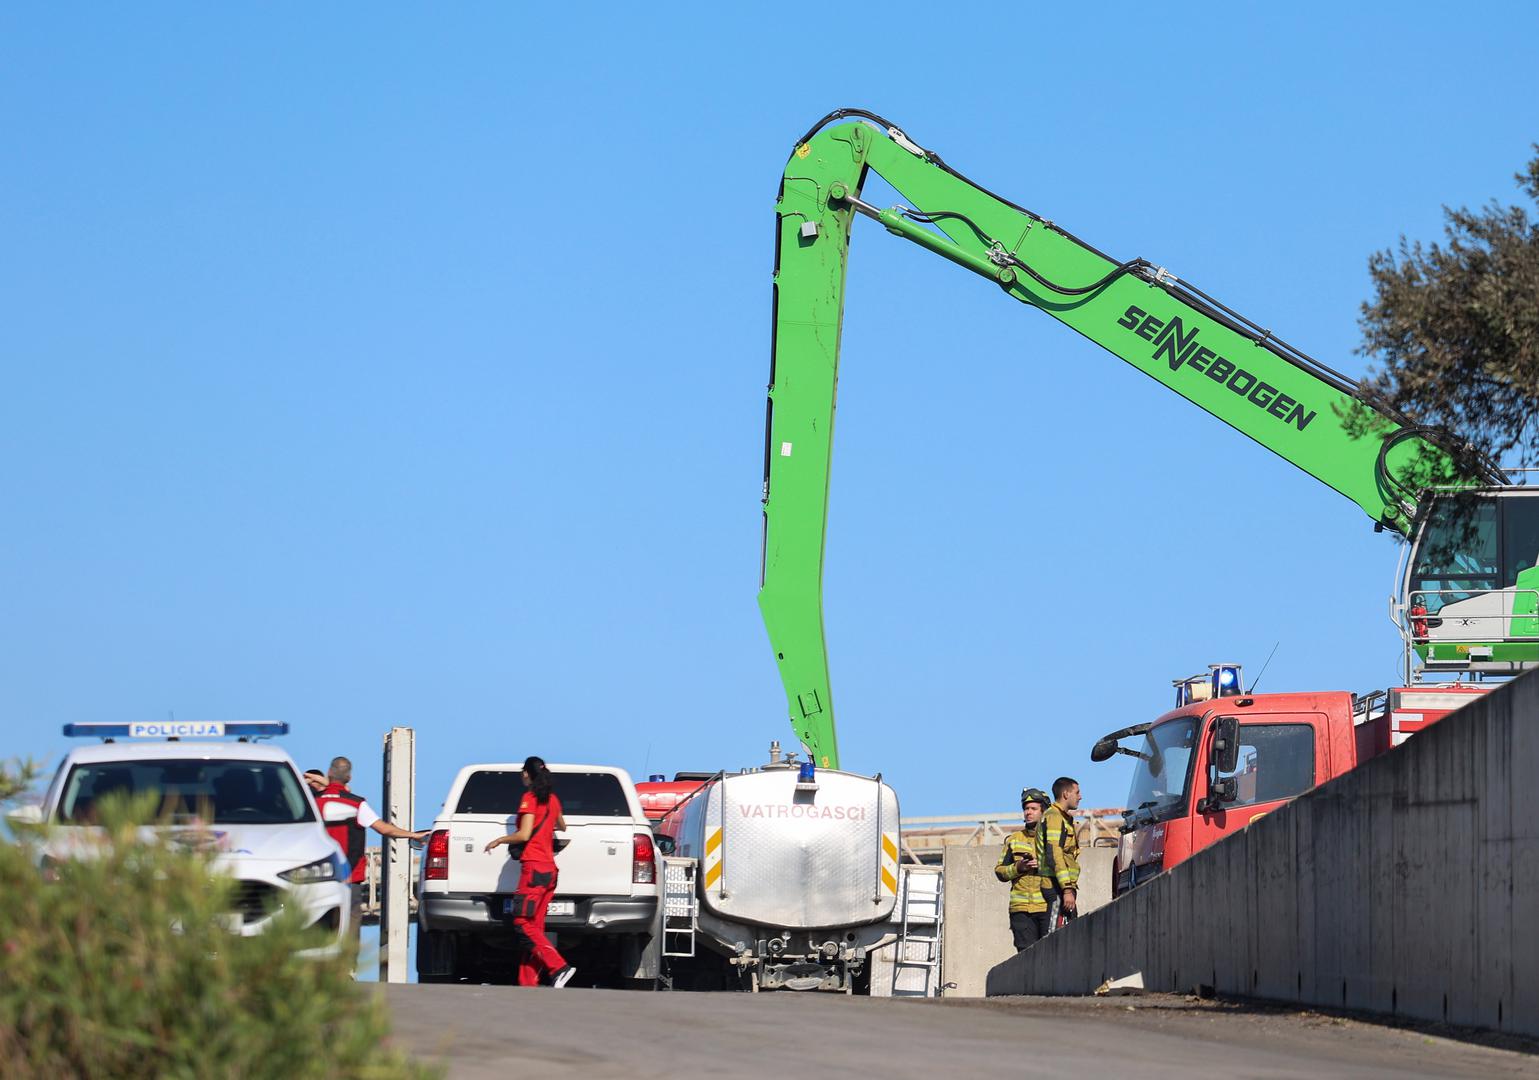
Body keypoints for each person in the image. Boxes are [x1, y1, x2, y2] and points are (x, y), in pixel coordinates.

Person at [314, 756, 429, 949]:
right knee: (350, 923)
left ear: (329, 774)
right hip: (350, 877)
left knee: (320, 923)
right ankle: (347, 968)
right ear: (349, 777)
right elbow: (385, 829)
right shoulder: (356, 804)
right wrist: (413, 835)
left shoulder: (312, 803)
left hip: (319, 877)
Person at [484, 756, 576, 988]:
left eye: (522, 772)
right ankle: (527, 984)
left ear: (527, 774)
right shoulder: (552, 799)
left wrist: (501, 839)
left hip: (533, 869)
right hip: (549, 872)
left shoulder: (529, 798)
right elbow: (562, 825)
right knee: (535, 929)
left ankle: (559, 967)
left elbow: (524, 835)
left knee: (522, 923)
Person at [995, 787, 1051, 950]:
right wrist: (1019, 867)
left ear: (1043, 812)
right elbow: (1000, 871)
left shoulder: (1052, 839)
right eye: (1026, 809)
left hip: (1046, 907)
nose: (1028, 812)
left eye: (1033, 809)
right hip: (1021, 911)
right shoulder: (1014, 840)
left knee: (1050, 954)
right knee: (1025, 959)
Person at [1038, 776, 1082, 931]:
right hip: (1056, 886)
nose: (1080, 796)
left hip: (1062, 887)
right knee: (1052, 938)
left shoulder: (1063, 818)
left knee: (1071, 934)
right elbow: (1055, 854)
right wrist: (1067, 890)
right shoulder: (1054, 817)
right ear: (1066, 794)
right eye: (1077, 792)